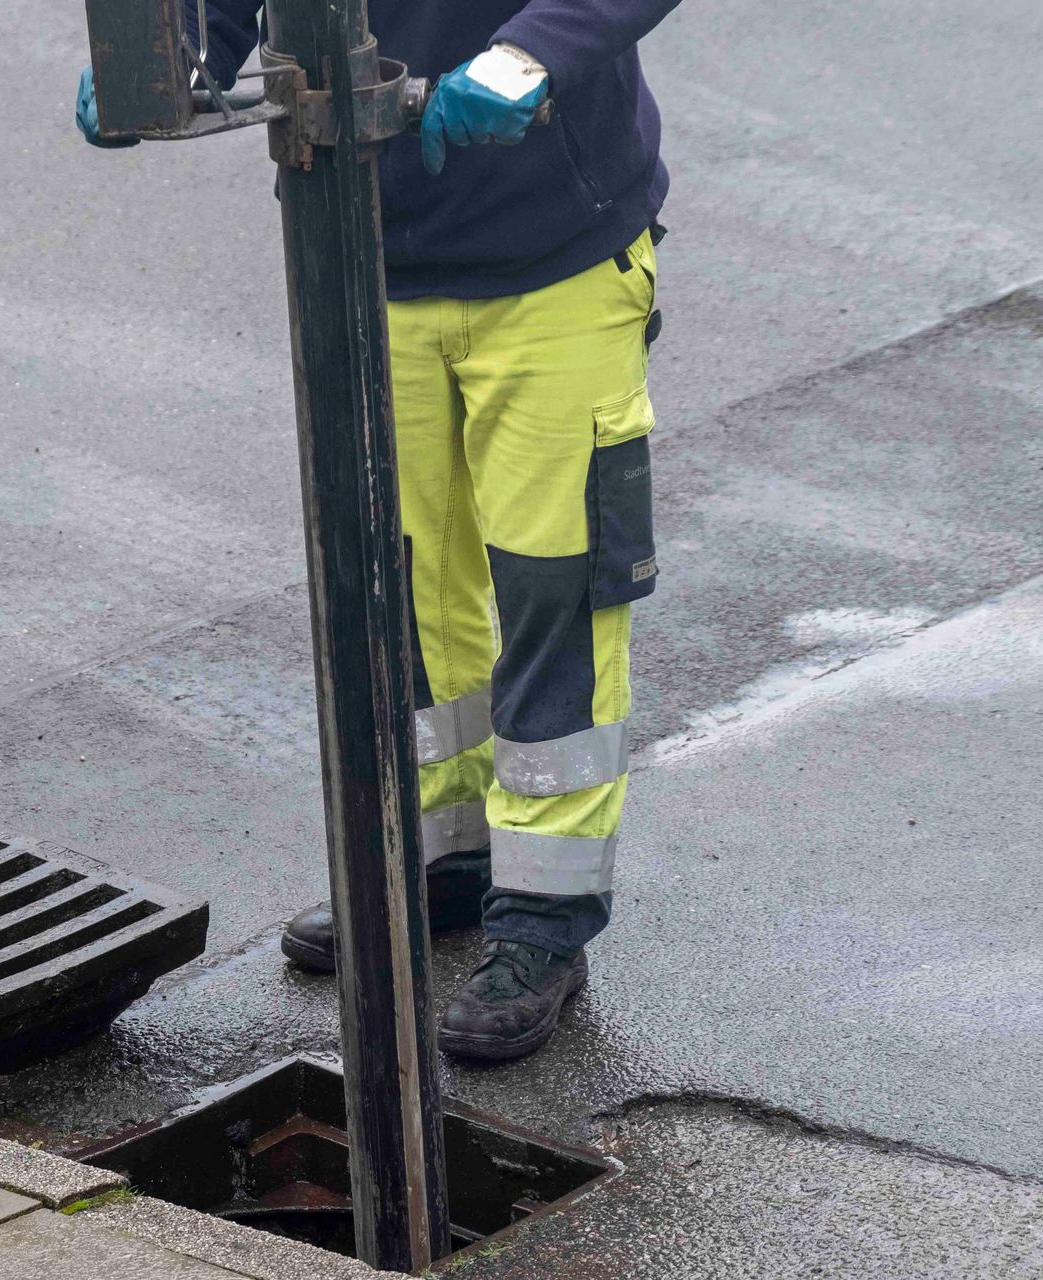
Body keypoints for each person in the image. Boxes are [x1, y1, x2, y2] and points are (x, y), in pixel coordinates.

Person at [76, 0, 681, 1061]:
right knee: (405, 584)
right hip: (360, 240)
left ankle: (543, 920)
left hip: (554, 259)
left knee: (555, 593)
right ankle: (441, 852)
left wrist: (532, 52)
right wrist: (164, 62)